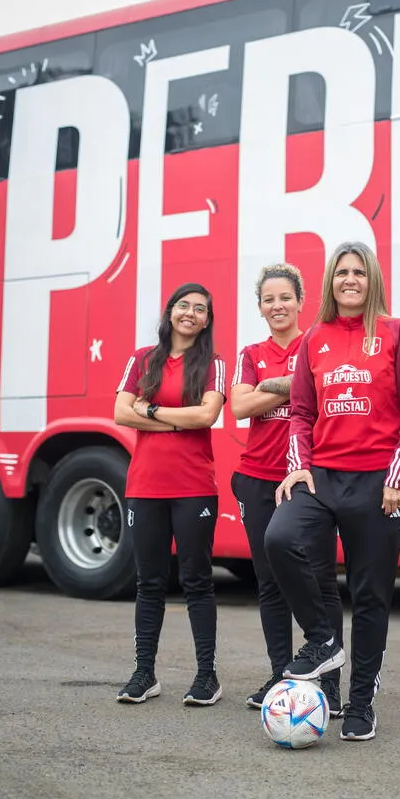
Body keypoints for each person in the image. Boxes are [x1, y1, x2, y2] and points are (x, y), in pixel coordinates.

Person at [264, 241, 400, 741]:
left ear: (372, 279)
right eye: (341, 273)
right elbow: (301, 413)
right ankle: (323, 639)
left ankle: (360, 704)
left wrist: (399, 479)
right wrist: (298, 467)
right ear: (331, 282)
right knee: (279, 539)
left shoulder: (397, 334)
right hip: (323, 479)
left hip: (379, 483)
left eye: (359, 272)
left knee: (370, 595)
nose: (350, 280)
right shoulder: (315, 337)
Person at [230, 263, 344, 716]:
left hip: (308, 478)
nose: (277, 306)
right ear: (260, 307)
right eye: (268, 299)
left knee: (319, 581)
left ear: (301, 302)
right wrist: (293, 387)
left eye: (285, 298)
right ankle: (282, 677)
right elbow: (239, 406)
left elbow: (319, 388)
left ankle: (330, 684)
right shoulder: (251, 351)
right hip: (257, 477)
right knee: (269, 582)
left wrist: (272, 385)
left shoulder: (318, 342)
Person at [114, 282, 226, 706]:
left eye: (201, 308)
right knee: (150, 582)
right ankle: (145, 673)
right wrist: (176, 420)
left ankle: (207, 677)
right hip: (145, 487)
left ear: (207, 320)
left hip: (194, 487)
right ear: (170, 311)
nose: (191, 313)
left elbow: (207, 414)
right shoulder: (143, 360)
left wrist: (153, 411)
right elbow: (122, 412)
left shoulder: (212, 363)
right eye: (184, 305)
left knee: (197, 580)